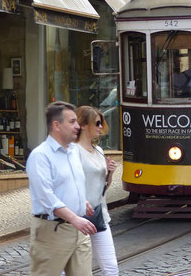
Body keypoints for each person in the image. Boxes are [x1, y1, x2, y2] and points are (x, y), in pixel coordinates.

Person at [26, 101, 96, 276]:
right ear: (56, 125)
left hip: (79, 231)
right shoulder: (40, 156)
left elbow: (70, 185)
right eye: (72, 122)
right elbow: (46, 197)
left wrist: (82, 202)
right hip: (52, 232)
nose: (78, 126)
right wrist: (74, 218)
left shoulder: (74, 151)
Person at [75, 106, 119, 275]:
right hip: (78, 217)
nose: (101, 127)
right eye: (97, 123)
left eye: (101, 123)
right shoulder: (73, 151)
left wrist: (110, 173)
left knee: (111, 268)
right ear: (84, 125)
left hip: (99, 214)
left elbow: (103, 187)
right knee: (75, 268)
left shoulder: (99, 151)